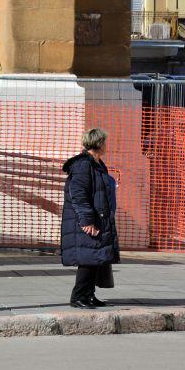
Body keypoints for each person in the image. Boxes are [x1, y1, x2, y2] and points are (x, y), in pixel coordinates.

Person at [60, 128, 120, 309]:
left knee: (96, 257)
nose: (106, 145)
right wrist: (87, 221)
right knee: (87, 259)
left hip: (98, 217)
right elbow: (79, 194)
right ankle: (78, 297)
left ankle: (89, 295)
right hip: (87, 220)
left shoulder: (97, 163)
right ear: (99, 143)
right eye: (105, 142)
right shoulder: (83, 165)